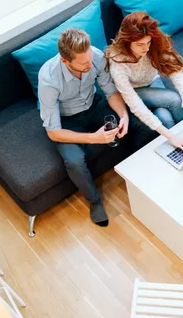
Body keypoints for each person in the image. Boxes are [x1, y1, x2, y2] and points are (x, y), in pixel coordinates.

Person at [38, 28, 152, 227]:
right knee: (74, 161)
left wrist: (124, 115)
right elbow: (53, 132)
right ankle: (95, 202)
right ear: (66, 61)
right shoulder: (49, 79)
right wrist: (94, 138)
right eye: (83, 63)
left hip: (94, 105)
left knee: (138, 124)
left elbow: (110, 92)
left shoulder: (96, 56)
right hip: (67, 121)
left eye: (90, 59)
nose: (90, 65)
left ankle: (141, 174)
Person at [105, 12, 183, 152]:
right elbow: (134, 103)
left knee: (165, 118)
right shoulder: (118, 61)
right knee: (174, 99)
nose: (146, 48)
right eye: (140, 44)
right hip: (131, 93)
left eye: (148, 42)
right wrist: (171, 137)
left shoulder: (154, 45)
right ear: (127, 43)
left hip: (153, 83)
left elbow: (180, 80)